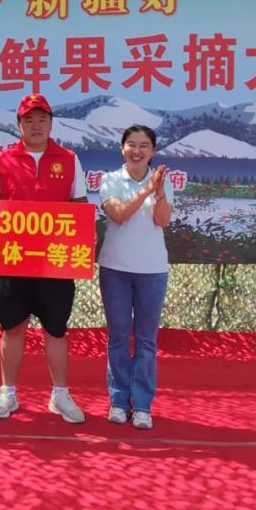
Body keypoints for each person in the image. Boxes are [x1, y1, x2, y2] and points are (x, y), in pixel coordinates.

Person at [0, 94, 88, 423]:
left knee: (56, 329)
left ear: (51, 124)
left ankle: (60, 394)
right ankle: (8, 392)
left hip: (55, 261)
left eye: (42, 120)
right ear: (19, 125)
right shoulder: (2, 160)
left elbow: (80, 206)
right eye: (29, 120)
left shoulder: (69, 159)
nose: (36, 126)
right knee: (13, 327)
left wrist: (83, 237)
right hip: (13, 260)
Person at [98, 125, 173, 430]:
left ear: (152, 151)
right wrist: (146, 190)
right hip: (115, 268)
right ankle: (118, 400)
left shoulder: (163, 182)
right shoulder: (110, 180)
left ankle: (142, 405)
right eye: (131, 144)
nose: (137, 151)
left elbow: (162, 221)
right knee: (118, 337)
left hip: (152, 270)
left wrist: (159, 192)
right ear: (122, 148)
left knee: (145, 340)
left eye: (144, 145)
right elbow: (118, 214)